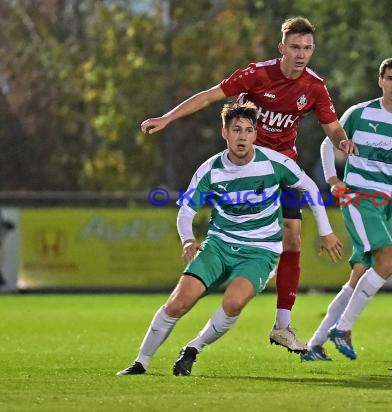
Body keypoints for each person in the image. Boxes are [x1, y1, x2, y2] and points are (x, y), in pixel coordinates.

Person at [140, 16, 356, 353]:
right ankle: (217, 265)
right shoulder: (257, 74)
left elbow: (331, 126)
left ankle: (282, 326)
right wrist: (167, 118)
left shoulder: (314, 86)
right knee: (234, 222)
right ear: (282, 47)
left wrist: (343, 142)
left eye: (307, 48)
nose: (301, 54)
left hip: (280, 168)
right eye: (295, 47)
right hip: (243, 164)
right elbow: (211, 96)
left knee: (294, 238)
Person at [117, 102, 343, 376]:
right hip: (219, 245)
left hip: (260, 250)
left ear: (255, 134)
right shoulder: (210, 169)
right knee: (178, 303)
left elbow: (308, 187)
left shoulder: (274, 163)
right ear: (224, 132)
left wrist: (326, 231)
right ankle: (141, 362)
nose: (242, 137)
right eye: (236, 130)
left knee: (233, 301)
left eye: (248, 130)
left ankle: (193, 348)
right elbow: (186, 212)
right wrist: (188, 240)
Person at [301, 58, 392, 361]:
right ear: (380, 81)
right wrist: (333, 178)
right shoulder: (360, 113)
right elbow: (328, 144)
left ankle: (314, 345)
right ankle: (343, 329)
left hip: (386, 205)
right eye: (390, 79)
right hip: (359, 197)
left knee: (358, 276)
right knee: (388, 260)